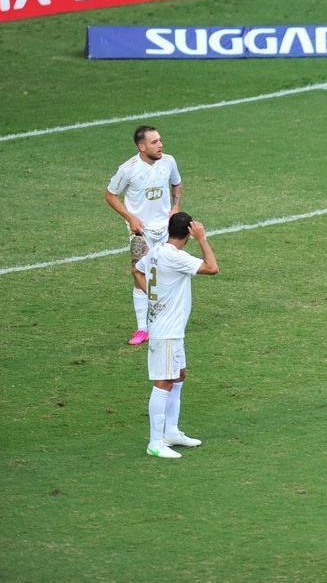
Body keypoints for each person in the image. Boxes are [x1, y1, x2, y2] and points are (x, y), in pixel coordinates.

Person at [133, 211, 219, 459]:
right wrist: (203, 239)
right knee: (164, 382)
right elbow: (212, 268)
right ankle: (155, 442)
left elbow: (136, 271)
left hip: (170, 329)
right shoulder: (176, 257)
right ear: (189, 233)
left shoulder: (157, 251)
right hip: (167, 331)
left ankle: (171, 431)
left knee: (178, 375)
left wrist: (153, 296)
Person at [105, 125, 183, 345]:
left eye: (160, 140)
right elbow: (110, 195)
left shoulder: (169, 161)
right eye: (154, 142)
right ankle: (142, 329)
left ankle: (167, 317)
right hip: (141, 232)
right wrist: (130, 217)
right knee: (140, 275)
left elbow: (177, 183)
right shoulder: (128, 169)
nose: (160, 145)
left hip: (166, 229)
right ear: (141, 146)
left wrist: (176, 207)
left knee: (168, 272)